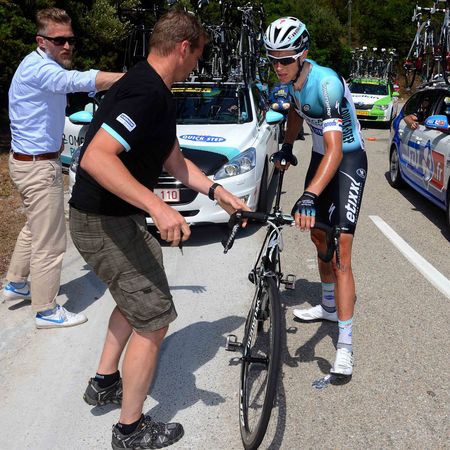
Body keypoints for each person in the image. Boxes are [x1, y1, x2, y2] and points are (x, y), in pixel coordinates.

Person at [69, 10, 249, 449]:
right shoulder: (146, 92)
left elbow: (174, 161)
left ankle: (104, 382)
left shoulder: (156, 90)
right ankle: (130, 430)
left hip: (118, 218)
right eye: (198, 55)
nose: (197, 64)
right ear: (184, 47)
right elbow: (96, 157)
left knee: (136, 298)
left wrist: (217, 191)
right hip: (102, 221)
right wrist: (157, 206)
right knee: (154, 319)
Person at [2, 7, 123, 328]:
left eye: (70, 39)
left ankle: (16, 283)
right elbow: (75, 80)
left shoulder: (38, 63)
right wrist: (132, 78)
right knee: (51, 242)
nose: (67, 46)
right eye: (59, 40)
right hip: (38, 168)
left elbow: (76, 82)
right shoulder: (41, 70)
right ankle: (45, 310)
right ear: (41, 41)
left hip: (28, 162)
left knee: (35, 227)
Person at [264, 17, 367, 378]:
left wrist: (308, 194)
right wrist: (287, 146)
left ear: (303, 54)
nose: (278, 67)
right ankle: (328, 305)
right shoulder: (290, 81)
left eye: (285, 60)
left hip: (347, 161)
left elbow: (336, 151)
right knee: (318, 236)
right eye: (273, 60)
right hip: (320, 158)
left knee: (341, 254)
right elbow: (296, 112)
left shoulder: (326, 84)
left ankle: (345, 346)